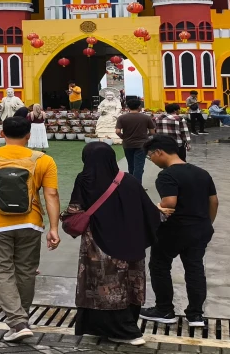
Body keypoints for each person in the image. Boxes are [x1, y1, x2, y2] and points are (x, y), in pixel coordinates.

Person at [0, 117, 61, 342]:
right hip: (30, 223)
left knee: (1, 271)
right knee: (26, 271)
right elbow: (52, 195)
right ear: (28, 135)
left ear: (1, 133)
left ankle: (17, 322)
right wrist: (54, 228)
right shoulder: (43, 160)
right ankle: (22, 318)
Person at [67, 142, 160, 345]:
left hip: (97, 245)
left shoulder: (85, 179)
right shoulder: (129, 181)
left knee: (101, 285)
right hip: (131, 243)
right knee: (126, 285)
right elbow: (151, 212)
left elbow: (75, 210)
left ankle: (111, 329)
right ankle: (127, 328)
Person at [140, 135, 218, 328]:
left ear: (159, 152)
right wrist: (207, 224)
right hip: (200, 228)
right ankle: (196, 315)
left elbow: (169, 203)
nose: (152, 161)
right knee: (194, 269)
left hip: (175, 230)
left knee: (159, 266)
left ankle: (164, 310)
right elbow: (213, 201)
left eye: (150, 157)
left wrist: (153, 208)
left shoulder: (167, 175)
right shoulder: (202, 173)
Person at [115, 97, 155, 183]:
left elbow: (117, 131)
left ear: (127, 107)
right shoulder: (146, 117)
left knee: (131, 165)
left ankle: (131, 183)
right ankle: (137, 186)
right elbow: (152, 132)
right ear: (139, 107)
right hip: (141, 144)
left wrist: (124, 137)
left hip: (127, 144)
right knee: (139, 166)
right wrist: (145, 136)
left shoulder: (122, 118)